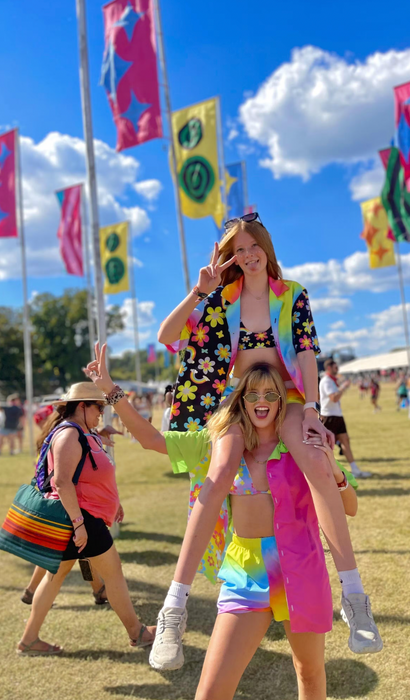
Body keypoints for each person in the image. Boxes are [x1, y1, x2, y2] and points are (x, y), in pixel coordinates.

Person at [84, 353, 382, 693]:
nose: (262, 401)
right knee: (211, 691)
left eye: (271, 394)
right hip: (245, 572)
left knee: (309, 673)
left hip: (300, 566)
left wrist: (334, 468)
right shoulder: (219, 444)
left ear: (282, 400)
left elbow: (350, 507)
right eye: (252, 394)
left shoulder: (300, 443)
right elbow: (153, 439)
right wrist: (111, 391)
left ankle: (357, 606)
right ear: (241, 399)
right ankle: (173, 612)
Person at [153, 213, 375, 667]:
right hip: (239, 399)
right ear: (228, 257)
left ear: (267, 250)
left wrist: (312, 410)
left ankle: (354, 596)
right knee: (217, 478)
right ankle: (173, 607)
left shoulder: (292, 294)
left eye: (254, 246)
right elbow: (167, 337)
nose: (248, 254)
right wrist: (199, 290)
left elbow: (308, 353)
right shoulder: (219, 300)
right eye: (238, 248)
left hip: (289, 397)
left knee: (315, 461)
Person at [16, 382, 155, 656]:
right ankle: (137, 632)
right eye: (98, 407)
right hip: (81, 520)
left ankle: (29, 640)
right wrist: (79, 525)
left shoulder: (82, 431)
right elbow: (63, 482)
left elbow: (90, 476)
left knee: (54, 580)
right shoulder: (69, 434)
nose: (101, 412)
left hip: (81, 517)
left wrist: (113, 502)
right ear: (82, 406)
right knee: (113, 574)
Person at [319, 359, 371, 478]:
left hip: (336, 415)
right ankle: (326, 471)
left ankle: (355, 469)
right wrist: (343, 387)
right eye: (335, 367)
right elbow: (334, 398)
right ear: (329, 368)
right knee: (327, 445)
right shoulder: (327, 381)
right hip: (329, 416)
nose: (337, 369)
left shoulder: (332, 381)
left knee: (345, 441)